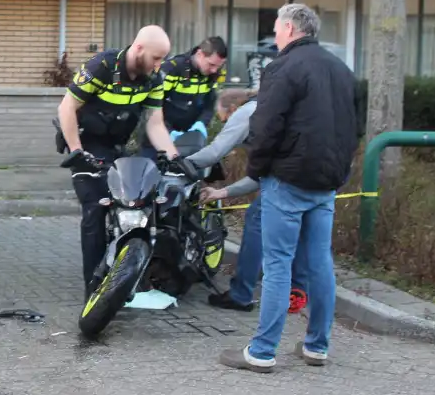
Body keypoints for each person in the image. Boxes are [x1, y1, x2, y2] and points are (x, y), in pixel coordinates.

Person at [219, 3, 358, 373]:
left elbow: (266, 127)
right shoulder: (342, 70)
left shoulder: (282, 68)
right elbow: (352, 129)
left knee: (278, 265)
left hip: (287, 180)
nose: (275, 36)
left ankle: (262, 352)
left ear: (291, 29)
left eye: (278, 29)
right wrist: (340, 172)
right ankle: (317, 346)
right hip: (325, 183)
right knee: (320, 263)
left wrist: (260, 171)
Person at [55, 25, 181, 300]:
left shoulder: (154, 78)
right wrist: (76, 150)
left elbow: (155, 122)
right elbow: (66, 108)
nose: (159, 65)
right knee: (96, 208)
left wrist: (173, 156)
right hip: (86, 144)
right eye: (156, 58)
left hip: (116, 146)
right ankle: (94, 290)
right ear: (138, 49)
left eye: (162, 59)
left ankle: (126, 275)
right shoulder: (101, 66)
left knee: (133, 203)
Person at [183, 88, 309, 314]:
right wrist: (222, 193)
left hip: (288, 175)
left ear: (232, 109)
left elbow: (214, 153)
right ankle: (297, 289)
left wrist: (176, 162)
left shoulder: (247, 112)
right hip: (311, 173)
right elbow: (262, 177)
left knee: (256, 218)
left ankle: (241, 295)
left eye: (224, 119)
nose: (225, 125)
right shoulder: (274, 109)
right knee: (299, 225)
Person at [138, 37, 229, 160]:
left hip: (190, 143)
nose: (214, 70)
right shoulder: (172, 69)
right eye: (211, 64)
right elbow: (151, 106)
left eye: (218, 66)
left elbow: (209, 105)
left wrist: (201, 124)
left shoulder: (212, 74)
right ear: (200, 54)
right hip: (158, 141)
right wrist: (168, 132)